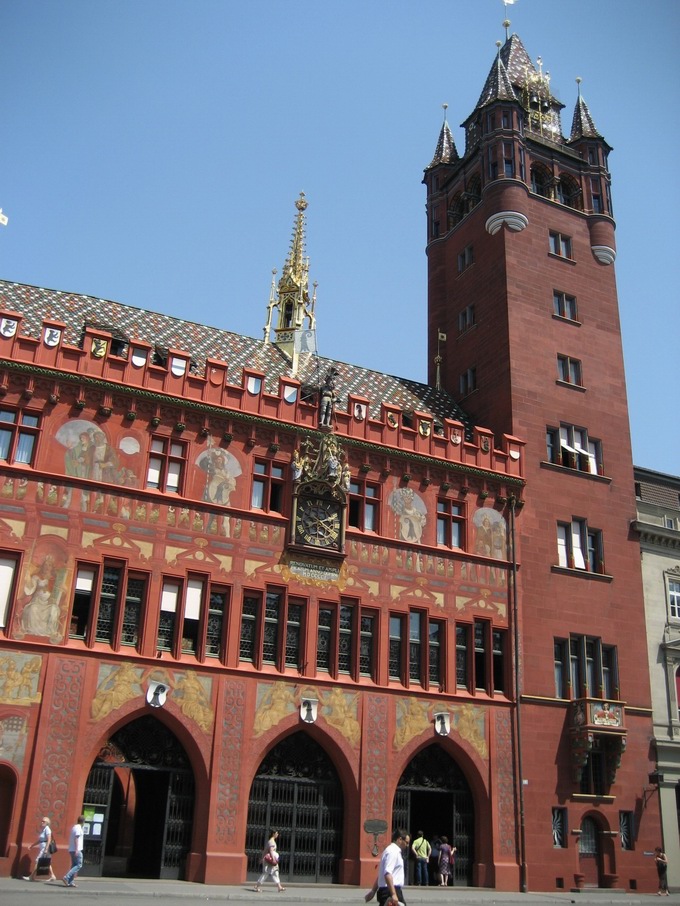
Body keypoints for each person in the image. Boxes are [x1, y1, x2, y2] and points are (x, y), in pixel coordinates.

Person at [372, 827, 410, 906]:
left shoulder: (390, 850)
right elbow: (387, 874)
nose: (407, 845)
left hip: (388, 890)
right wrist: (393, 894)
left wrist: (373, 891)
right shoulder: (393, 851)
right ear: (400, 839)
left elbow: (382, 874)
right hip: (390, 890)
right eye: (406, 842)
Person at [23, 816, 56, 882]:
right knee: (47, 861)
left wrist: (46, 849)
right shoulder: (43, 829)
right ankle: (52, 876)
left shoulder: (47, 829)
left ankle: (31, 876)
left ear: (47, 823)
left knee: (38, 861)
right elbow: (40, 840)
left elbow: (49, 839)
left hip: (45, 848)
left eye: (43, 821)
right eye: (42, 821)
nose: (42, 822)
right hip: (43, 847)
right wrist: (32, 845)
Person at [62, 815, 85, 888]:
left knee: (74, 865)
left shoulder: (74, 827)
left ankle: (71, 882)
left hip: (71, 849)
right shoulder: (78, 828)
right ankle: (66, 877)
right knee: (79, 865)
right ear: (83, 822)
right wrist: (77, 849)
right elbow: (76, 838)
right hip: (76, 849)